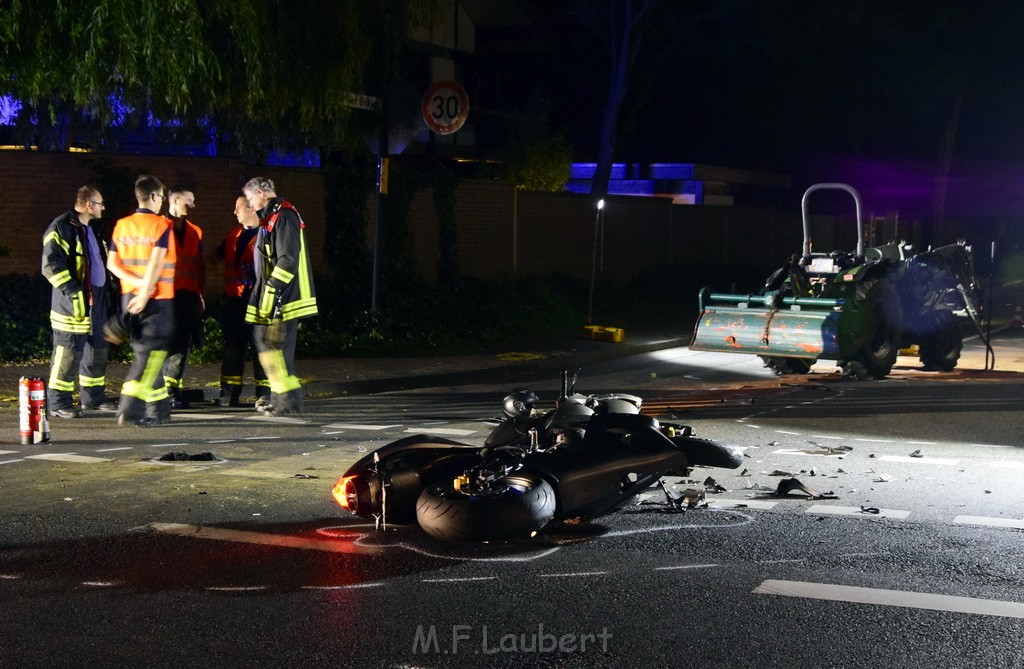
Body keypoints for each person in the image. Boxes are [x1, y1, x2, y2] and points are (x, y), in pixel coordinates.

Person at [242, 176, 317, 416]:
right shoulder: (270, 218)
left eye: (251, 197)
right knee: (268, 347)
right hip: (272, 296)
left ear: (262, 192)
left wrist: (273, 292)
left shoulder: (284, 215)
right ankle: (283, 400)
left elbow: (287, 259)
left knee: (278, 350)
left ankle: (287, 403)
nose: (249, 203)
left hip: (285, 297)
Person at [106, 174, 177, 427]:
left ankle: (159, 411)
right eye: (162, 197)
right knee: (151, 356)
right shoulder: (161, 225)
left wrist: (136, 287)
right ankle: (129, 407)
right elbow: (157, 262)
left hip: (129, 299)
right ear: (155, 197)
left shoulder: (122, 225)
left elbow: (112, 264)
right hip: (157, 301)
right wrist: (146, 292)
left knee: (145, 353)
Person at [40, 186, 117, 418]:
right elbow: (50, 264)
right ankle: (58, 403)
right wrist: (73, 292)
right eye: (100, 203)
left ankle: (93, 398)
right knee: (68, 353)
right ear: (88, 205)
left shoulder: (90, 229)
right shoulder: (61, 227)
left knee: (97, 352)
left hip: (97, 300)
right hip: (73, 304)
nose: (103, 207)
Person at [213, 195, 269, 408]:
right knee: (232, 348)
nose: (235, 211)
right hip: (234, 302)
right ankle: (228, 394)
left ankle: (265, 394)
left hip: (258, 301)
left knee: (260, 348)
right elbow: (215, 257)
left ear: (252, 208)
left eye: (239, 207)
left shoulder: (267, 235)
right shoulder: (233, 236)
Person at [161, 185, 206, 409]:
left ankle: (172, 391)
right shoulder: (159, 227)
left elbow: (199, 266)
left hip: (187, 296)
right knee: (164, 345)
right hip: (165, 297)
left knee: (182, 347)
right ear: (176, 200)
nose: (194, 204)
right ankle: (159, 392)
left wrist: (199, 294)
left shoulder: (195, 231)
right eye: (190, 199)